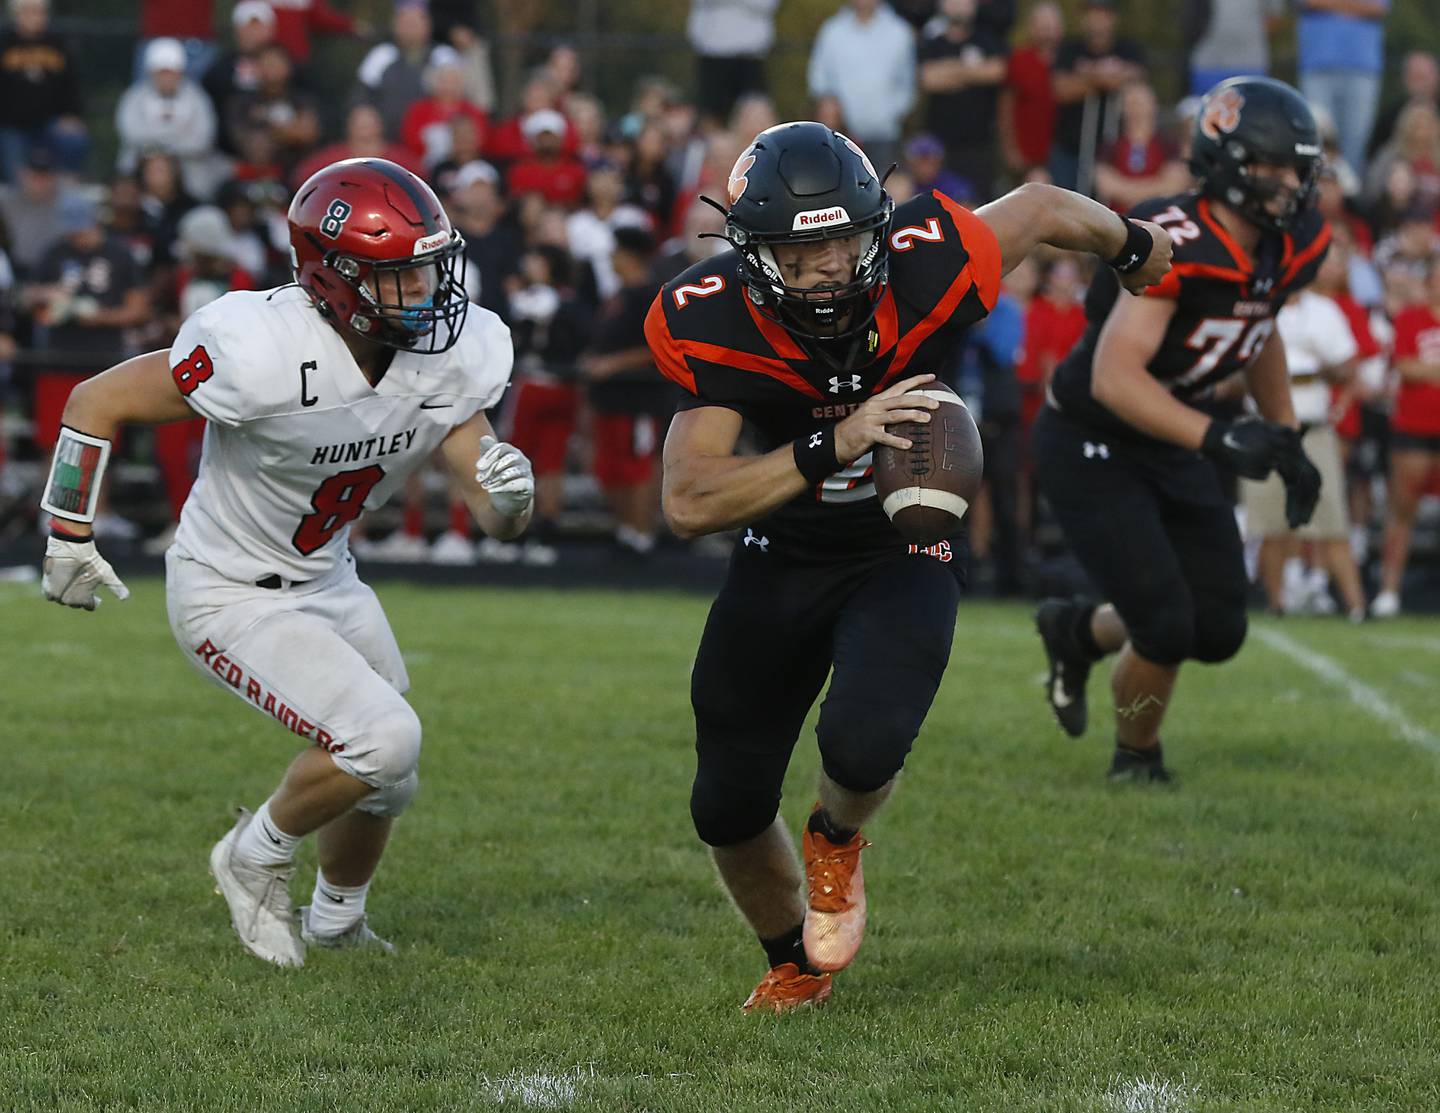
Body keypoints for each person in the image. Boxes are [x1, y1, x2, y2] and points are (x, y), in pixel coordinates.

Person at [645, 120, 1172, 1012]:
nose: (830, 270)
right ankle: (794, 961)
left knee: (864, 740)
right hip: (785, 549)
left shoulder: (931, 259)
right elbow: (690, 500)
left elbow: (1044, 207)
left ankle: (836, 838)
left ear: (874, 226)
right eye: (801, 255)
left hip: (905, 540)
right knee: (724, 805)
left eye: (847, 242)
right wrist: (830, 444)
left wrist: (1135, 245)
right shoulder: (714, 317)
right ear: (752, 252)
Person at [38, 158, 534, 967]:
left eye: (430, 267)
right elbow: (97, 399)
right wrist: (67, 529)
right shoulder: (257, 346)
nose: (429, 291)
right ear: (335, 280)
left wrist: (511, 502)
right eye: (401, 275)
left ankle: (337, 917)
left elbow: (489, 503)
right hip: (228, 590)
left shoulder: (454, 353)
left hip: (327, 577)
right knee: (383, 739)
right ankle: (253, 851)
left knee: (390, 776)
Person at [1033, 77, 1329, 782]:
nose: (1292, 182)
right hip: (1091, 439)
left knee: (1219, 627)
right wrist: (1221, 437)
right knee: (1165, 625)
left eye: (1298, 166)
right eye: (1275, 166)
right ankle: (1136, 752)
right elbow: (1115, 376)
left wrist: (1284, 435)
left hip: (1169, 434)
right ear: (1228, 162)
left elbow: (1259, 329)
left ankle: (1077, 631)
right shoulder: (1175, 239)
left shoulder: (1285, 244)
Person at [1240, 247, 1365, 620]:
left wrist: (1328, 374)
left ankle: (1357, 605)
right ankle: (1276, 604)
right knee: (1270, 522)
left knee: (1331, 520)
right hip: (1265, 426)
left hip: (1312, 424)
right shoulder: (1254, 307)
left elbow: (1347, 364)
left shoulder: (1324, 311)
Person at [1374, 258, 1440, 618]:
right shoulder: (1411, 318)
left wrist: (1426, 371)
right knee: (1402, 510)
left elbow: (1417, 367)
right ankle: (1388, 589)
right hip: (1414, 428)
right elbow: (1404, 366)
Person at [806, 0, 917, 173]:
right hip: (840, 139)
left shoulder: (899, 31)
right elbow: (819, 80)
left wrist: (890, 114)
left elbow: (907, 83)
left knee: (882, 192)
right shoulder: (832, 30)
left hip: (884, 135)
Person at [917, 0, 1009, 201]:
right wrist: (972, 71)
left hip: (979, 145)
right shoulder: (932, 42)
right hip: (940, 147)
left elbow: (997, 71)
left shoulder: (988, 38)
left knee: (981, 208)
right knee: (940, 209)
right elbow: (928, 79)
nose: (959, 5)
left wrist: (949, 71)